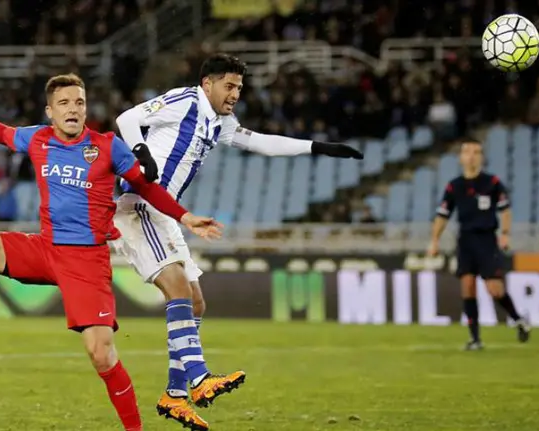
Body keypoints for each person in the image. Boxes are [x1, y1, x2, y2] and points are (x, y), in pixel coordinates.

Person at [0, 57, 223, 431]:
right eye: (64, 103)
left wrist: (186, 217)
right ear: (50, 112)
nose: (73, 109)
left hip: (87, 263)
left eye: (79, 102)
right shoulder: (37, 138)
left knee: (101, 355)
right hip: (44, 250)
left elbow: (146, 186)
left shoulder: (108, 146)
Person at [113, 53, 363, 429]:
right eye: (229, 86)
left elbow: (260, 142)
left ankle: (175, 395)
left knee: (196, 303)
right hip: (139, 205)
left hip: (165, 213)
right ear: (208, 83)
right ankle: (199, 378)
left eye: (239, 88)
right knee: (179, 290)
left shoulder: (221, 122)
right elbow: (126, 119)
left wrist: (318, 147)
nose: (235, 94)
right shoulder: (185, 101)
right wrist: (140, 153)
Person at [428, 138, 530, 351]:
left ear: (481, 157)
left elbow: (505, 210)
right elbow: (442, 215)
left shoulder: (491, 183)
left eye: (476, 152)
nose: (471, 156)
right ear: (461, 158)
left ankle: (518, 319)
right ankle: (475, 338)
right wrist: (435, 240)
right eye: (467, 152)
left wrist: (505, 233)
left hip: (486, 239)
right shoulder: (454, 186)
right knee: (467, 286)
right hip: (465, 240)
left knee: (494, 289)